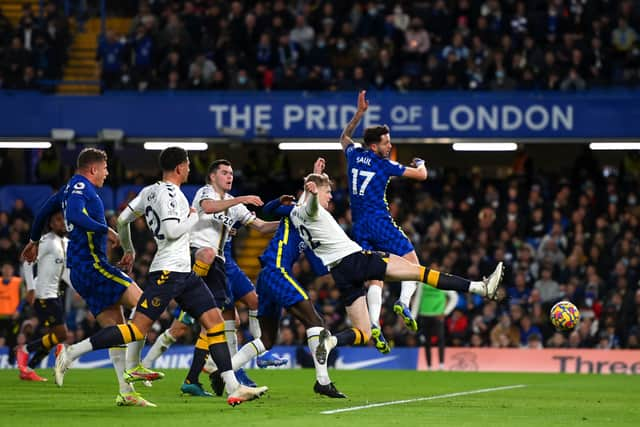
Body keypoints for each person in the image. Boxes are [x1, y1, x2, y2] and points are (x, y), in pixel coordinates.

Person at [54, 147, 268, 406]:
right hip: (168, 271)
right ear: (179, 167)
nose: (189, 169)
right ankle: (73, 352)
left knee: (214, 322)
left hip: (183, 272)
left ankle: (234, 387)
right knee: (135, 329)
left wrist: (129, 248)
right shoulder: (171, 193)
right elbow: (171, 229)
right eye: (187, 164)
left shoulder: (149, 191)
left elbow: (122, 220)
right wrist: (194, 216)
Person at [288, 173, 504, 366]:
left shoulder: (296, 213)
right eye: (327, 192)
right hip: (357, 260)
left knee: (363, 332)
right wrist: (315, 191)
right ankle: (480, 288)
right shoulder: (312, 208)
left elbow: (304, 201)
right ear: (314, 191)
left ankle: (330, 341)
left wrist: (314, 177)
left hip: (340, 273)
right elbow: (313, 204)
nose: (330, 197)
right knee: (419, 272)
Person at [21, 147, 160, 407]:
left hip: (84, 268)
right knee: (145, 306)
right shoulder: (80, 189)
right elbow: (73, 215)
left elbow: (42, 212)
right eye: (105, 169)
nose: (107, 174)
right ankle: (73, 353)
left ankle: (125, 391)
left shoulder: (68, 188)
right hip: (92, 265)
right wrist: (105, 229)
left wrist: (33, 240)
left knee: (116, 330)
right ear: (93, 169)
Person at [228, 158, 351, 398]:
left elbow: (319, 266)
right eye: (328, 193)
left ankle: (225, 370)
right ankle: (322, 381)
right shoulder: (296, 210)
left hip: (268, 276)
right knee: (315, 322)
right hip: (276, 270)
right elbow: (270, 209)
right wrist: (312, 181)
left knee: (266, 339)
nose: (330, 199)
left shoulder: (313, 227)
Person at [340, 90, 429, 353]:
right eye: (386, 142)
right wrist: (421, 163)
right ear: (374, 146)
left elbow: (343, 138)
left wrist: (358, 115)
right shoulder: (383, 164)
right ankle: (403, 301)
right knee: (414, 264)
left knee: (375, 277)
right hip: (380, 221)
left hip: (359, 227)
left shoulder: (354, 154)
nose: (389, 146)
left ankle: (375, 323)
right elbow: (421, 175)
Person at [182, 159, 278, 396]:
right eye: (225, 172)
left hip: (220, 264)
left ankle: (197, 377)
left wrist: (290, 221)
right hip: (200, 256)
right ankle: (225, 377)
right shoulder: (206, 192)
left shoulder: (234, 206)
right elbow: (210, 207)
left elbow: (262, 227)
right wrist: (243, 198)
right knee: (217, 321)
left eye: (232, 173)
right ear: (212, 176)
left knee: (224, 318)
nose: (229, 176)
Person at [16, 211, 70, 381]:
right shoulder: (47, 241)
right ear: (51, 224)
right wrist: (30, 289)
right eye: (57, 220)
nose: (61, 223)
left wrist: (80, 290)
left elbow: (66, 273)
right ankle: (24, 350)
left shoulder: (66, 243)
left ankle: (28, 368)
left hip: (55, 294)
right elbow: (27, 261)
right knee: (61, 335)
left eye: (63, 219)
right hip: (43, 295)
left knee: (55, 336)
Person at [412, 282, 458, 370]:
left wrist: (445, 312)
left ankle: (441, 365)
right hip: (424, 315)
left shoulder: (441, 281)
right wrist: (413, 317)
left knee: (440, 339)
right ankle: (429, 366)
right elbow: (417, 299)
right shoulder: (423, 282)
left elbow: (454, 297)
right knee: (426, 341)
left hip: (438, 316)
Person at [0, 262, 22, 365]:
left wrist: (18, 310)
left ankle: (12, 362)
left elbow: (23, 298)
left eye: (9, 269)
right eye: (5, 268)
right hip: (1, 316)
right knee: (1, 338)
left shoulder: (18, 282)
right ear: (2, 270)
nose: (7, 271)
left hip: (13, 317)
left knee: (13, 339)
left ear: (13, 270)